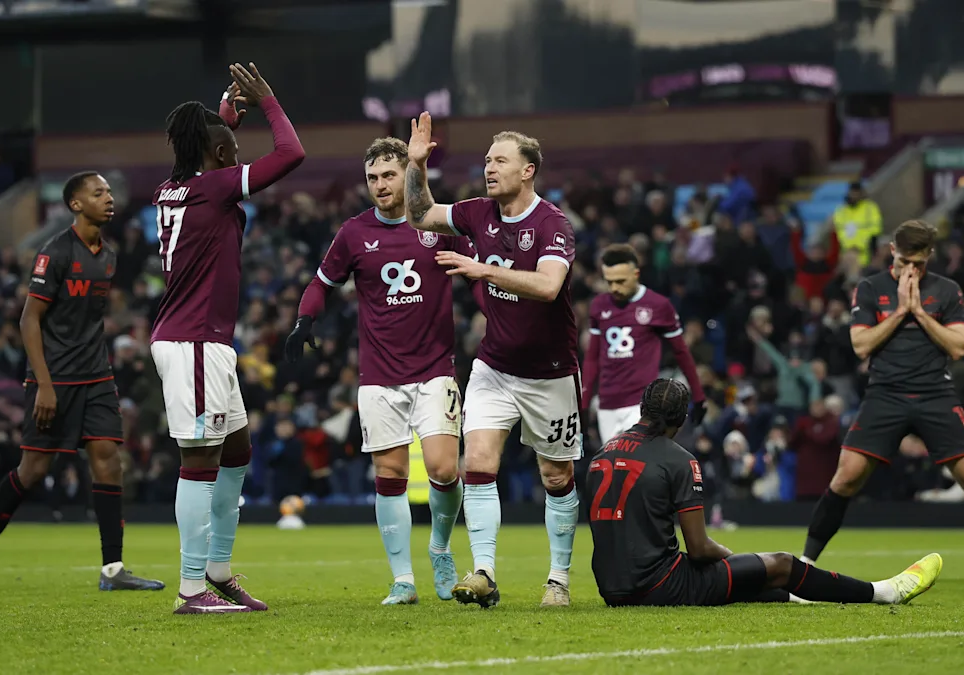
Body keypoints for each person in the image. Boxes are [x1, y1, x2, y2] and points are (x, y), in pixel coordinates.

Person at [800, 220, 964, 590]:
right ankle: (803, 568)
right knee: (846, 476)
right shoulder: (870, 288)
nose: (911, 270)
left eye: (919, 263)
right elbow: (861, 346)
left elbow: (958, 346)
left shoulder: (946, 290)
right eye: (904, 262)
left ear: (930, 255)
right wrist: (901, 311)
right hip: (885, 393)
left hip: (934, 393)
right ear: (892, 252)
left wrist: (921, 312)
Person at [285, 137, 472, 605]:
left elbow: (478, 271)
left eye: (389, 175)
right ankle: (403, 580)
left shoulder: (438, 223)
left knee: (443, 469)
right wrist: (305, 320)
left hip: (434, 369)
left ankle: (440, 547)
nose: (380, 185)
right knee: (388, 474)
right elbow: (321, 283)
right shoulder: (354, 232)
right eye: (372, 178)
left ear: (408, 175)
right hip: (379, 376)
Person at [405, 112, 579, 608]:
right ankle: (483, 572)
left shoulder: (552, 224)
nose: (489, 168)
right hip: (494, 367)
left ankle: (558, 580)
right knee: (478, 462)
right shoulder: (478, 212)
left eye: (501, 160)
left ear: (528, 170)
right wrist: (416, 165)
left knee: (556, 477)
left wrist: (482, 270)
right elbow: (421, 214)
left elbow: (548, 286)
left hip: (550, 373)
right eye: (486, 160)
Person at [0, 172, 163, 594]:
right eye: (98, 193)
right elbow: (28, 320)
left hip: (97, 374)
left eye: (109, 192)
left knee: (107, 458)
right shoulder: (54, 253)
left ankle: (113, 569)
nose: (108, 198)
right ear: (75, 204)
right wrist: (44, 385)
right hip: (53, 378)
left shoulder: (109, 256)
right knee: (33, 470)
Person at [149, 63, 304, 614]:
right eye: (232, 151)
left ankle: (216, 568)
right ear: (217, 155)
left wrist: (223, 123)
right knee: (200, 460)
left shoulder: (172, 189)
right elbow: (290, 154)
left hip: (201, 339)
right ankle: (191, 587)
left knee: (236, 450)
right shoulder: (214, 188)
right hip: (193, 341)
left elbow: (205, 155)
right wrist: (269, 102)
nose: (238, 159)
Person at [589, 378, 942, 607]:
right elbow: (699, 549)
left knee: (748, 579)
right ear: (682, 420)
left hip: (611, 588)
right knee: (781, 563)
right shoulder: (679, 459)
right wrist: (731, 556)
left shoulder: (604, 453)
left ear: (643, 408)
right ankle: (884, 592)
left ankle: (801, 598)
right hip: (660, 586)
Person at [583, 243, 705, 442]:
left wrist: (698, 395)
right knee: (614, 462)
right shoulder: (599, 305)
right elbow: (592, 358)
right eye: (609, 282)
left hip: (641, 405)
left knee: (636, 459)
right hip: (607, 404)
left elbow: (681, 352)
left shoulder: (658, 306)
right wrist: (584, 402)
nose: (614, 288)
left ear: (636, 274)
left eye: (620, 281)